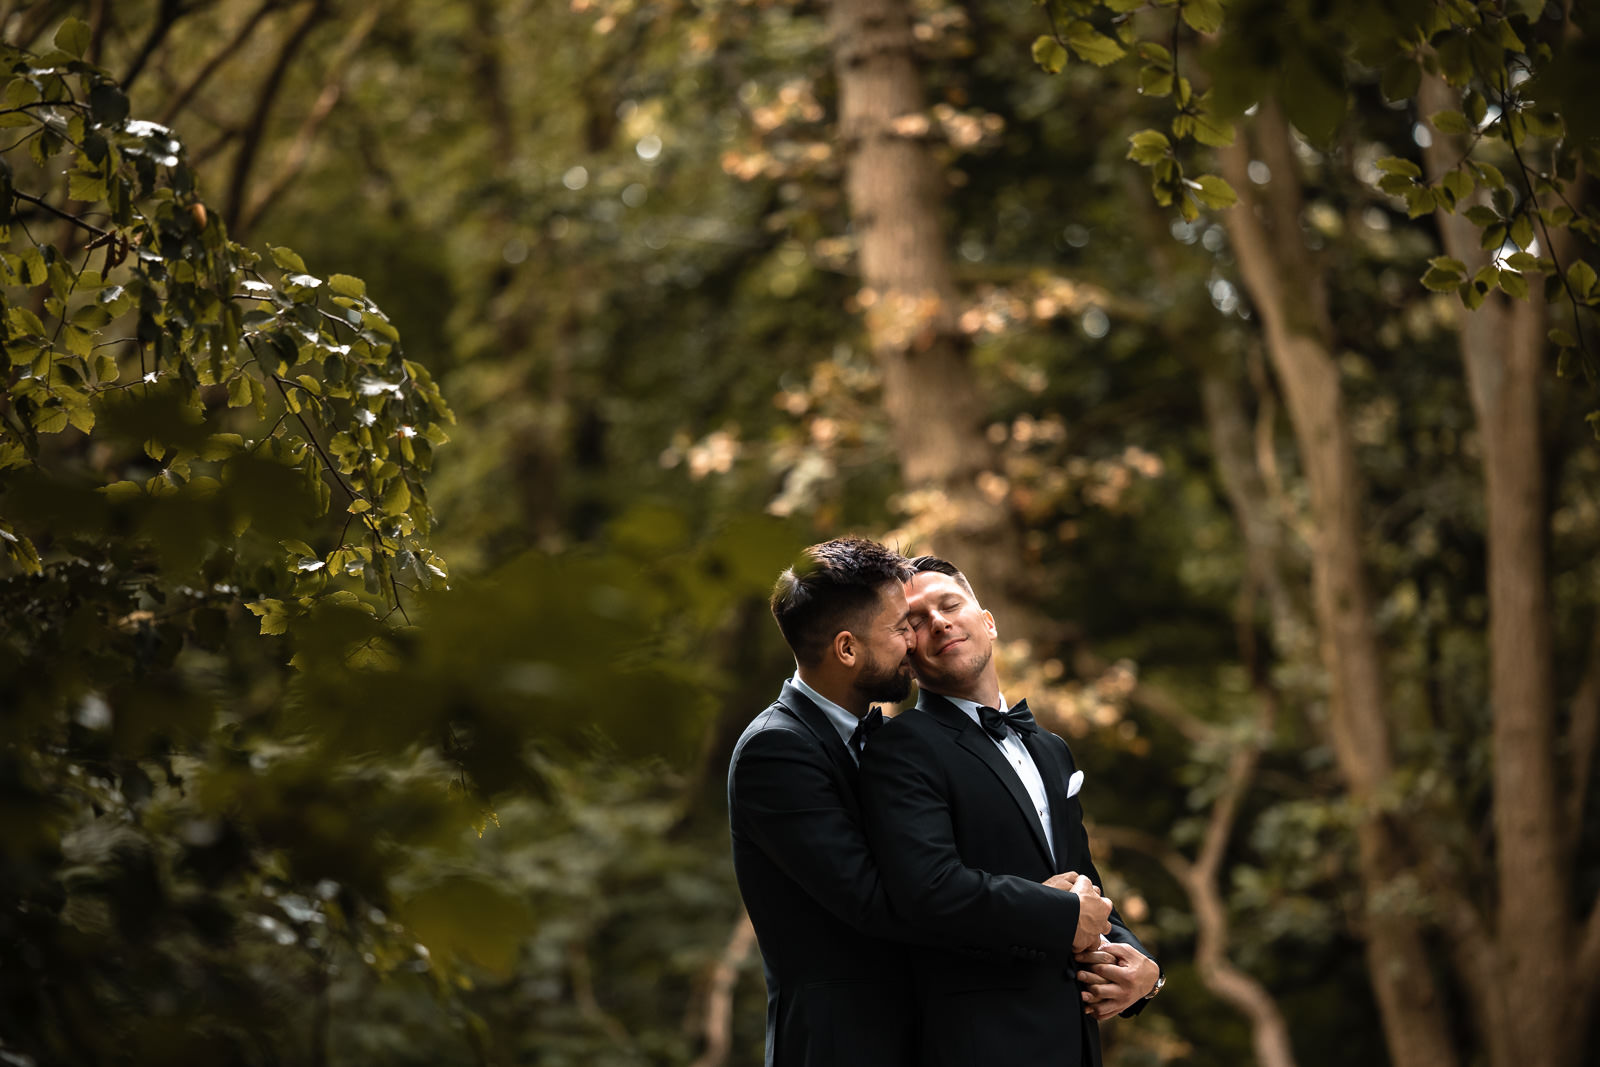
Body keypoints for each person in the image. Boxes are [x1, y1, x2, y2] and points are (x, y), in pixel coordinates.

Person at [728, 538, 1101, 1066]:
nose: (914, 640)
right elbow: (882, 900)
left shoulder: (880, 734)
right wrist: (1056, 912)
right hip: (844, 1043)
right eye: (902, 626)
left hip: (927, 1033)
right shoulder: (777, 749)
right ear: (848, 649)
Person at [859, 554, 1162, 1067]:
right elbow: (929, 891)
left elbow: (1083, 882)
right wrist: (1061, 913)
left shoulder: (1051, 748)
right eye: (915, 621)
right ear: (905, 655)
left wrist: (1144, 970)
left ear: (989, 621)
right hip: (982, 1042)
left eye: (950, 604)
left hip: (1076, 1037)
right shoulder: (901, 746)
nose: (938, 622)